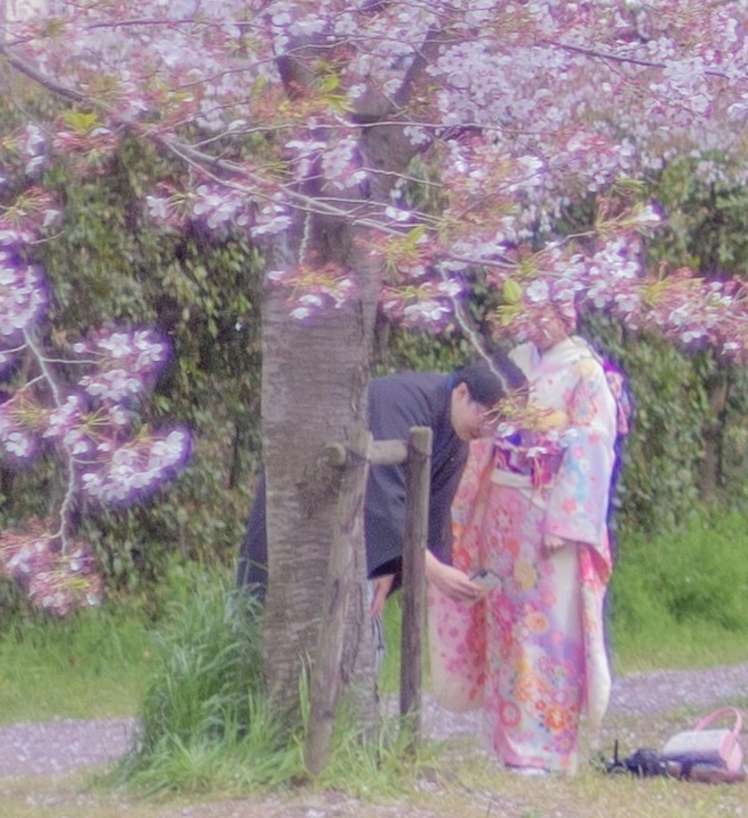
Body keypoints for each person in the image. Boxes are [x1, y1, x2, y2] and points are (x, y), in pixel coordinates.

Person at [426, 332, 628, 775]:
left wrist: (568, 518)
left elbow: (596, 442)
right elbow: (483, 438)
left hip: (550, 515)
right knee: (504, 627)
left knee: (549, 631)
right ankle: (506, 739)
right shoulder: (515, 360)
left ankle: (546, 748)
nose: (539, 320)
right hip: (503, 511)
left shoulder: (585, 370)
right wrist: (466, 506)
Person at [234, 367, 494, 650]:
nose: (488, 429)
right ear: (462, 392)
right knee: (264, 612)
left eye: (500, 422)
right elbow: (383, 497)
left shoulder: (458, 439)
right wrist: (431, 569)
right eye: (488, 415)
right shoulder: (402, 401)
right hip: (310, 494)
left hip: (357, 529)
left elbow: (432, 515)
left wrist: (396, 566)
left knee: (358, 639)